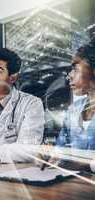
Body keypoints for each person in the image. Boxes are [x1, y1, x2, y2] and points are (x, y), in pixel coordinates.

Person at [41, 39, 95, 170]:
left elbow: (73, 162)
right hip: (71, 185)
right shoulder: (74, 110)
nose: (68, 76)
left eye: (75, 69)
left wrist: (84, 164)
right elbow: (61, 149)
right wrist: (50, 156)